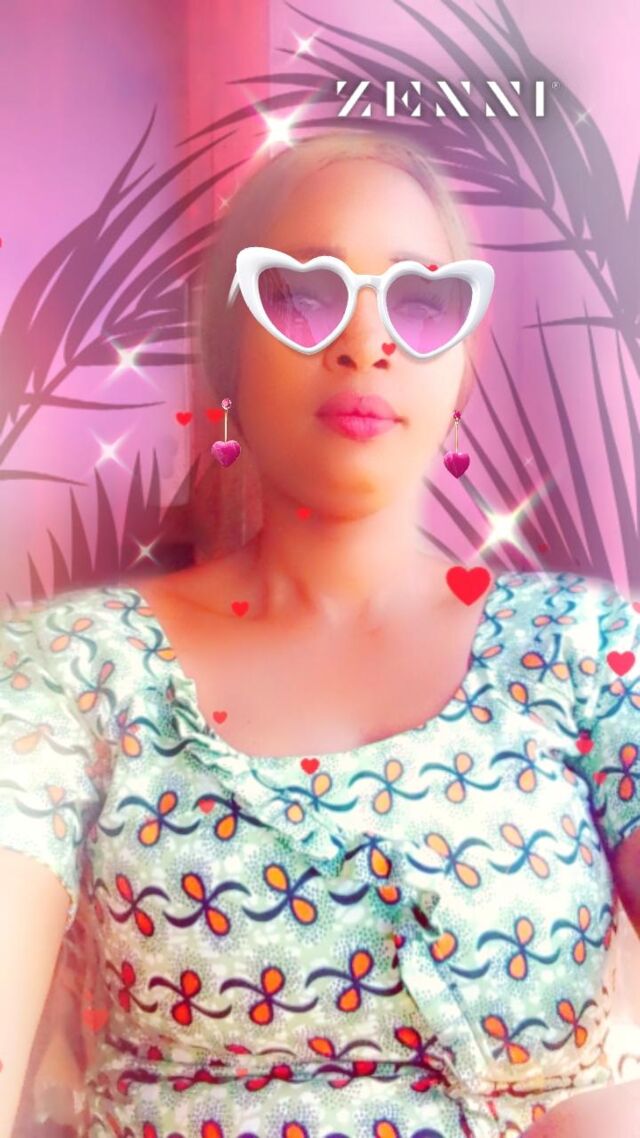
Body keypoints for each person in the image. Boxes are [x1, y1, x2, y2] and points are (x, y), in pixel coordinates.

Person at [1, 125, 639, 1138]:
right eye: (304, 293)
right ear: (229, 349)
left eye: (421, 301)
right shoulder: (74, 670)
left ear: (461, 362)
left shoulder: (585, 649)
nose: (367, 341)